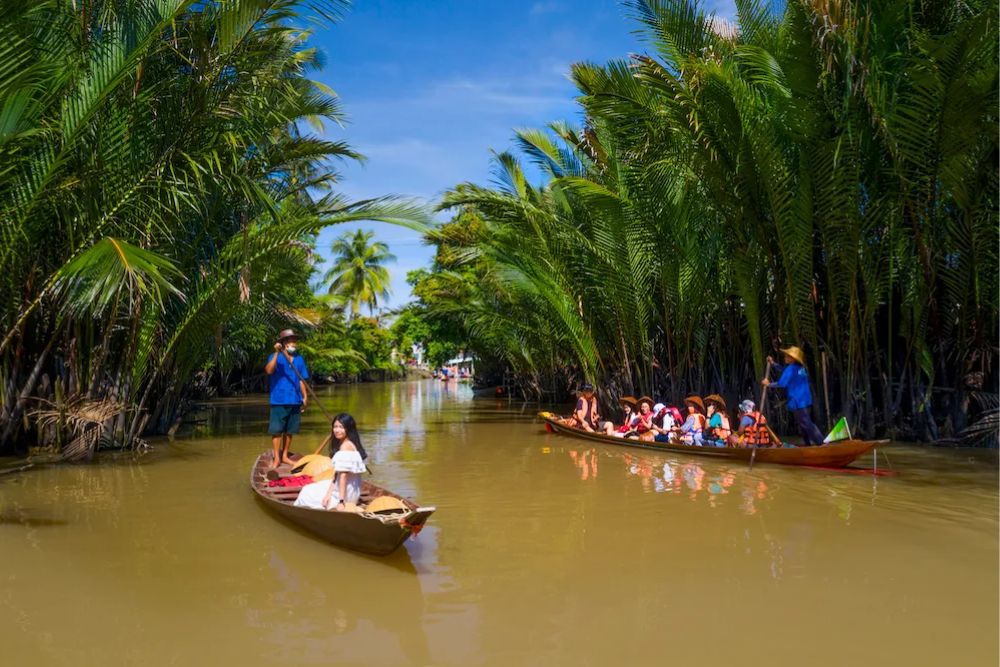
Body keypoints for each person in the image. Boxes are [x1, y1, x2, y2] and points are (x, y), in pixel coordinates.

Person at [294, 413, 368, 511]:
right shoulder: (350, 443)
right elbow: (337, 475)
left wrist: (341, 502)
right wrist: (328, 494)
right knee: (312, 487)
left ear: (348, 429)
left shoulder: (345, 447)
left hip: (345, 494)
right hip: (353, 491)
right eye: (335, 427)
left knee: (306, 492)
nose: (337, 430)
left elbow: (343, 476)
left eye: (341, 427)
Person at [265, 328, 309, 469]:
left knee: (290, 431)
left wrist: (305, 396)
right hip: (279, 399)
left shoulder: (299, 359)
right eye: (291, 341)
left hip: (295, 399)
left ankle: (285, 456)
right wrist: (278, 353)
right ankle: (277, 458)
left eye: (295, 341)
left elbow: (301, 379)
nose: (293, 344)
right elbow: (269, 370)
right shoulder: (275, 356)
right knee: (277, 430)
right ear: (283, 343)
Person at [762, 346, 825, 445]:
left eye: (787, 356)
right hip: (806, 400)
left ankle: (821, 443)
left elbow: (782, 383)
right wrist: (773, 364)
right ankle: (808, 445)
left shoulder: (791, 369)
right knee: (804, 424)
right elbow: (785, 371)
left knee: (806, 423)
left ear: (792, 358)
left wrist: (768, 384)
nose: (785, 357)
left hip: (798, 401)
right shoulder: (800, 368)